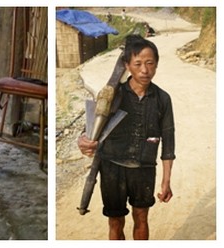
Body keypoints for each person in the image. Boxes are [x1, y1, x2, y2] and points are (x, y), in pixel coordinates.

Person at [77, 34, 174, 240]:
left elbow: (168, 143)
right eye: (138, 63)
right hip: (112, 167)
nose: (145, 70)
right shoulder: (113, 94)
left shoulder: (162, 99)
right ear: (127, 66)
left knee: (141, 218)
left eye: (150, 63)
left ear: (156, 65)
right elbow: (90, 127)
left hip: (144, 169)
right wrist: (83, 140)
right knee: (115, 221)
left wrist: (166, 180)